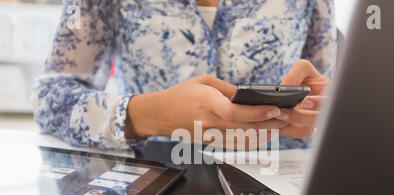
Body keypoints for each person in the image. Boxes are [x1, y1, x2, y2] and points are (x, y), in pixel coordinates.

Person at [31, 0, 336, 151]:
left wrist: (325, 112)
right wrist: (149, 115)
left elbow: (333, 102)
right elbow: (50, 99)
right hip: (148, 191)